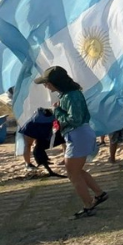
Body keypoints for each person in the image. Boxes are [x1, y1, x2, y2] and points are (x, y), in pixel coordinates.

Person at [35, 66, 107, 219]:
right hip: (79, 134)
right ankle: (99, 194)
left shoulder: (70, 96)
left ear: (55, 82)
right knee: (76, 170)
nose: (45, 86)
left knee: (72, 173)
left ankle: (88, 205)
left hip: (78, 134)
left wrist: (57, 112)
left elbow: (75, 119)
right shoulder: (69, 94)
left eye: (46, 83)